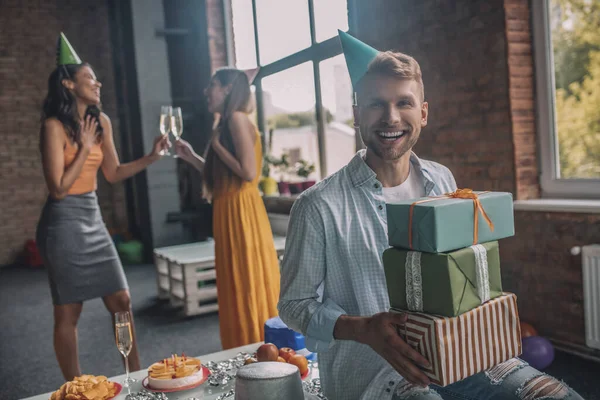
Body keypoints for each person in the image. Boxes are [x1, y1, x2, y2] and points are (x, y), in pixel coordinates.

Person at [278, 31, 584, 400]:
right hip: (376, 373)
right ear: (357, 114)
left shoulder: (443, 180)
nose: (390, 117)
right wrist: (365, 329)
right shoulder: (317, 205)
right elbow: (294, 306)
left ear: (423, 113)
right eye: (376, 104)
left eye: (403, 102)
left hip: (463, 355)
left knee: (555, 396)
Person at [36, 33, 169, 381]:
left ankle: (132, 375)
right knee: (69, 311)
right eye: (89, 79)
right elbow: (59, 189)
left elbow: (112, 173)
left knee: (122, 301)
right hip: (62, 223)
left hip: (92, 218)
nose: (98, 83)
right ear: (68, 84)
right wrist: (83, 148)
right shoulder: (53, 126)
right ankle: (76, 386)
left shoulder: (102, 121)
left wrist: (152, 158)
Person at [174, 67, 280, 349]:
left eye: (213, 86)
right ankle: (246, 350)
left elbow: (247, 173)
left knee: (246, 282)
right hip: (229, 209)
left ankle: (258, 348)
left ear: (228, 90)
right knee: (236, 283)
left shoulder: (236, 118)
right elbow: (221, 179)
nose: (207, 92)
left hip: (242, 212)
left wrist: (217, 147)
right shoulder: (225, 123)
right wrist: (194, 157)